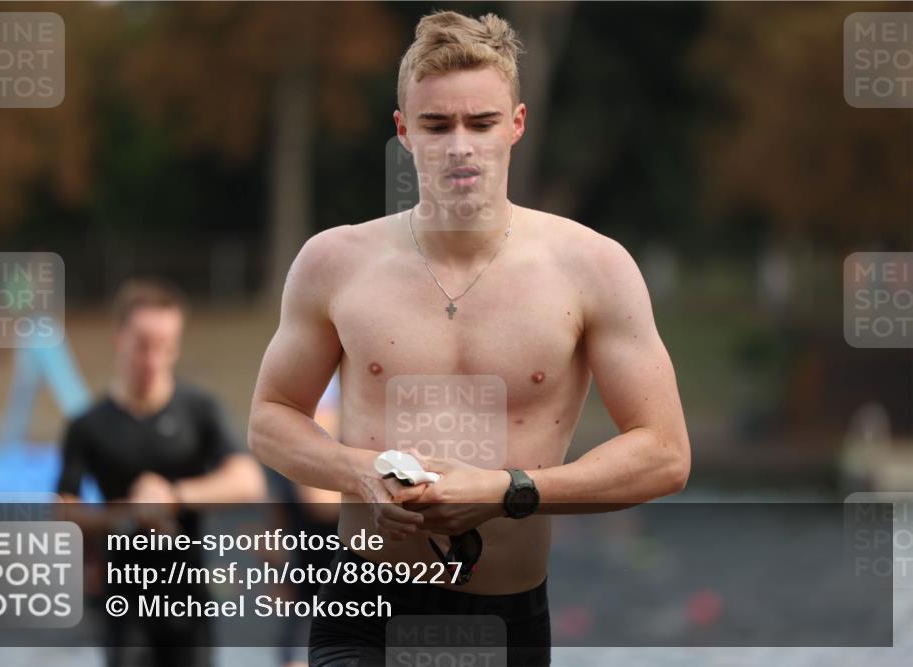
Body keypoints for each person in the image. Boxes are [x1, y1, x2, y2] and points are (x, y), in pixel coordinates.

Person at [248, 10, 691, 667]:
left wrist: (509, 490)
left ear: (516, 124)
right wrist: (360, 474)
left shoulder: (593, 268)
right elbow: (270, 418)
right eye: (436, 125)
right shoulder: (334, 262)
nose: (460, 146)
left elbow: (666, 454)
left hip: (504, 619)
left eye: (481, 123)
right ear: (404, 131)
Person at [57, 277, 267, 667]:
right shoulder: (88, 425)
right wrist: (125, 514)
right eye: (143, 345)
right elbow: (63, 509)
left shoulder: (198, 410)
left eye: (165, 347)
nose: (153, 360)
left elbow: (248, 481)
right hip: (122, 597)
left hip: (188, 592)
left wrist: (173, 496)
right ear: (119, 338)